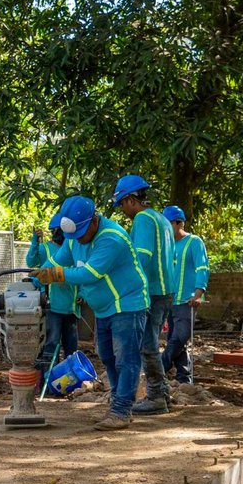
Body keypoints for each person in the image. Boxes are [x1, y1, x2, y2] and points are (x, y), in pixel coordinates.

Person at [34, 195, 148, 430]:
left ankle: (121, 410)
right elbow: (55, 262)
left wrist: (56, 275)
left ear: (94, 221)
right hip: (105, 307)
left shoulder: (111, 238)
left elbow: (90, 274)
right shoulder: (74, 237)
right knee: (106, 355)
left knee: (126, 357)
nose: (78, 240)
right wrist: (32, 280)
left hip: (127, 303)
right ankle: (118, 404)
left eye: (81, 233)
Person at [111, 175, 176, 415]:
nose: (123, 211)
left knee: (147, 346)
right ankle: (163, 392)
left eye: (122, 205)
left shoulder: (143, 220)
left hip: (153, 291)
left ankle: (157, 395)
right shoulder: (161, 219)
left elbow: (142, 258)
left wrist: (129, 288)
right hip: (166, 289)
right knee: (151, 343)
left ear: (129, 200)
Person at [25, 213, 79, 379]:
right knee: (51, 344)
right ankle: (49, 380)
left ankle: (71, 380)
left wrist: (82, 292)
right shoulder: (46, 248)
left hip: (72, 305)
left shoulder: (73, 248)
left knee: (71, 346)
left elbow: (81, 271)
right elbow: (30, 261)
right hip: (52, 305)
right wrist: (35, 241)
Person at [160, 205, 208, 385]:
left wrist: (198, 294)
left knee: (179, 337)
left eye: (169, 224)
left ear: (179, 223)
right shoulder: (168, 245)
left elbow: (202, 268)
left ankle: (158, 369)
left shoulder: (194, 242)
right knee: (177, 341)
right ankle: (183, 378)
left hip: (187, 301)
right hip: (170, 300)